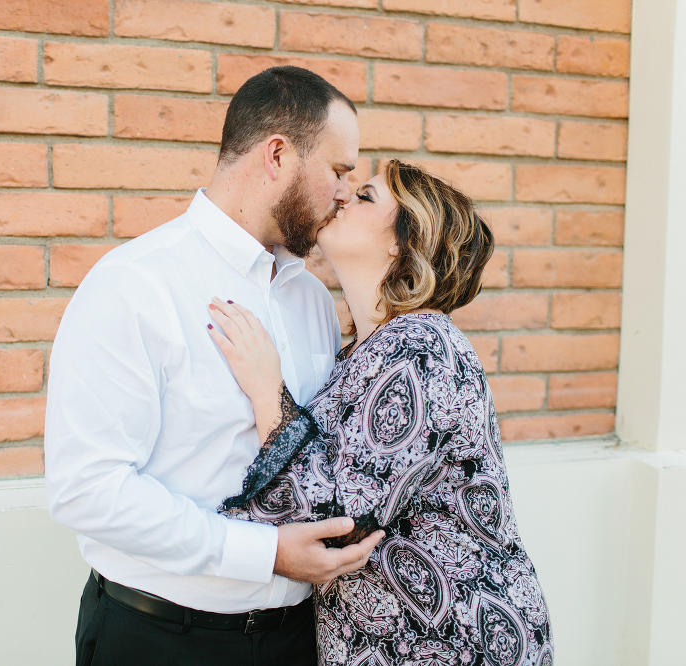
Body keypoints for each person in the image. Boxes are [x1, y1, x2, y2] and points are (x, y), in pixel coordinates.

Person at [45, 66, 385, 666]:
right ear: (277, 155)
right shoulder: (136, 285)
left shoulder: (310, 299)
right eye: (337, 171)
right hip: (160, 640)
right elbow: (87, 490)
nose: (342, 193)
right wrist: (265, 553)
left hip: (296, 639)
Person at [208, 160, 554, 666]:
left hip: (449, 644)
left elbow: (338, 521)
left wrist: (267, 390)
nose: (343, 196)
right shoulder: (365, 351)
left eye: (366, 196)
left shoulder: (421, 346)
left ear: (403, 245)